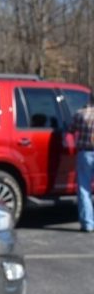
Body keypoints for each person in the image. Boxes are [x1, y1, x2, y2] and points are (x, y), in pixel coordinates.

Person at [68, 96, 94, 232]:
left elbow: (70, 129)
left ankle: (88, 223)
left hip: (85, 153)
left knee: (84, 189)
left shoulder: (80, 114)